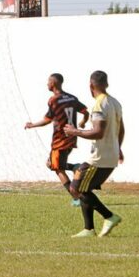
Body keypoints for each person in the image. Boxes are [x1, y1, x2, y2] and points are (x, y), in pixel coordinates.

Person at [64, 70, 124, 238]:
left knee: (76, 188)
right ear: (107, 84)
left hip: (99, 157)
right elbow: (121, 129)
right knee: (85, 188)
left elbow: (98, 132)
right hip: (110, 155)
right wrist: (118, 148)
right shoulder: (115, 103)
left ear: (91, 85)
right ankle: (88, 229)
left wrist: (75, 131)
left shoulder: (99, 104)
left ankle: (109, 216)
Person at [25, 73, 90, 206]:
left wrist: (32, 125)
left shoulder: (53, 100)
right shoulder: (72, 98)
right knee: (52, 163)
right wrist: (83, 122)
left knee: (56, 168)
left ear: (53, 83)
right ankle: (74, 167)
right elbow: (85, 112)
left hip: (60, 140)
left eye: (48, 81)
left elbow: (47, 120)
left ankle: (77, 197)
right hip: (72, 137)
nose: (47, 84)